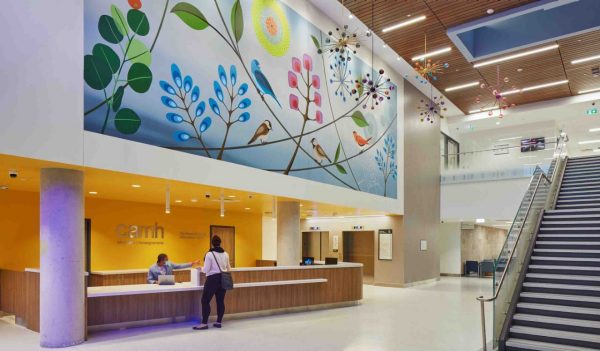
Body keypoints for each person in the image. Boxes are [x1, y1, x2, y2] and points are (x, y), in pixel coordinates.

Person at [193, 235, 231, 330]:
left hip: (212, 280)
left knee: (205, 301)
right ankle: (218, 322)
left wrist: (199, 268)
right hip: (223, 279)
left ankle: (204, 323)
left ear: (212, 243)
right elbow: (229, 268)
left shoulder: (209, 254)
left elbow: (206, 270)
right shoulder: (226, 254)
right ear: (220, 242)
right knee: (220, 301)